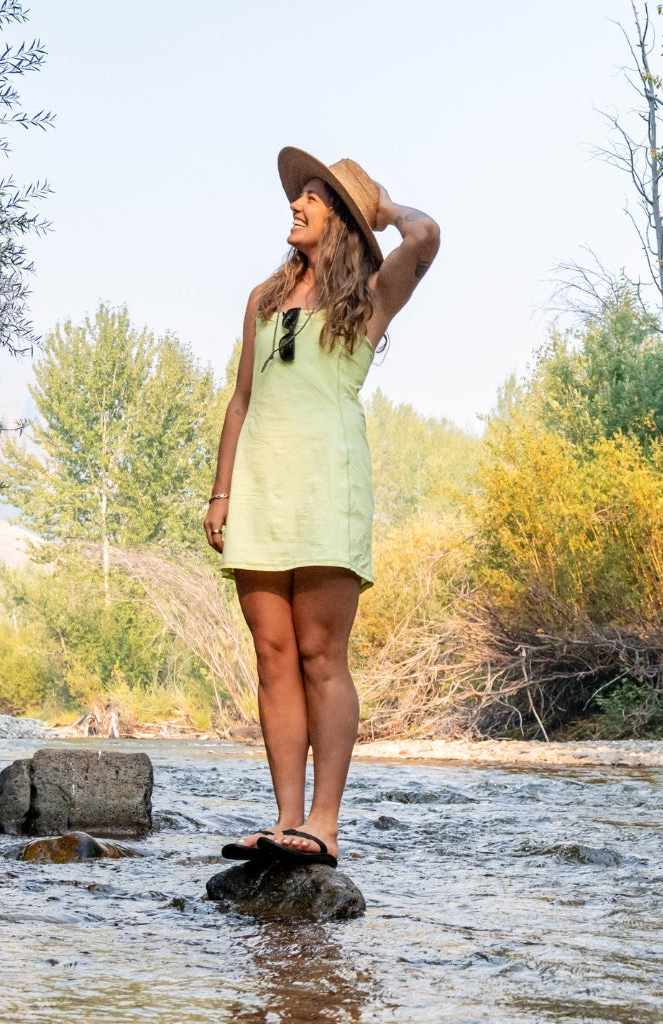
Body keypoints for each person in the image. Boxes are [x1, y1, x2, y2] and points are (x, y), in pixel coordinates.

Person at [204, 147, 440, 868]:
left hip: (328, 487)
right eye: (298, 194)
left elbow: (426, 237)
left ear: (342, 217)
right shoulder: (262, 299)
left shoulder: (368, 297)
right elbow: (242, 400)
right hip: (261, 490)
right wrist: (221, 492)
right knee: (273, 657)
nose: (295, 204)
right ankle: (285, 821)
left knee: (319, 655)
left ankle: (325, 823)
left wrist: (383, 208)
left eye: (313, 197)